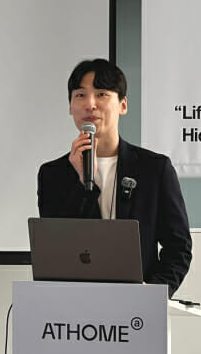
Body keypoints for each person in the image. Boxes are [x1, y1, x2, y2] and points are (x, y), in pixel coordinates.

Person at [37, 59, 192, 297]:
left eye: (101, 94)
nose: (90, 104)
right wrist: (82, 183)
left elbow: (179, 247)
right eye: (80, 95)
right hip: (73, 303)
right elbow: (56, 247)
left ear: (123, 105)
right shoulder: (53, 174)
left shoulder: (154, 169)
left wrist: (153, 292)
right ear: (70, 106)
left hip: (137, 305)